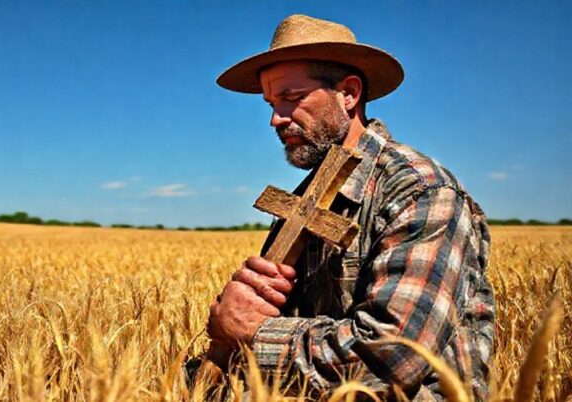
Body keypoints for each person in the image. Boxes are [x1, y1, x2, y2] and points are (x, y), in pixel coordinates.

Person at [194, 14, 495, 401]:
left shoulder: (420, 190)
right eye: (271, 103)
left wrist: (252, 333)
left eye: (291, 97)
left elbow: (394, 357)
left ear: (349, 94)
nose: (275, 118)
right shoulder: (304, 199)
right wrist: (227, 330)